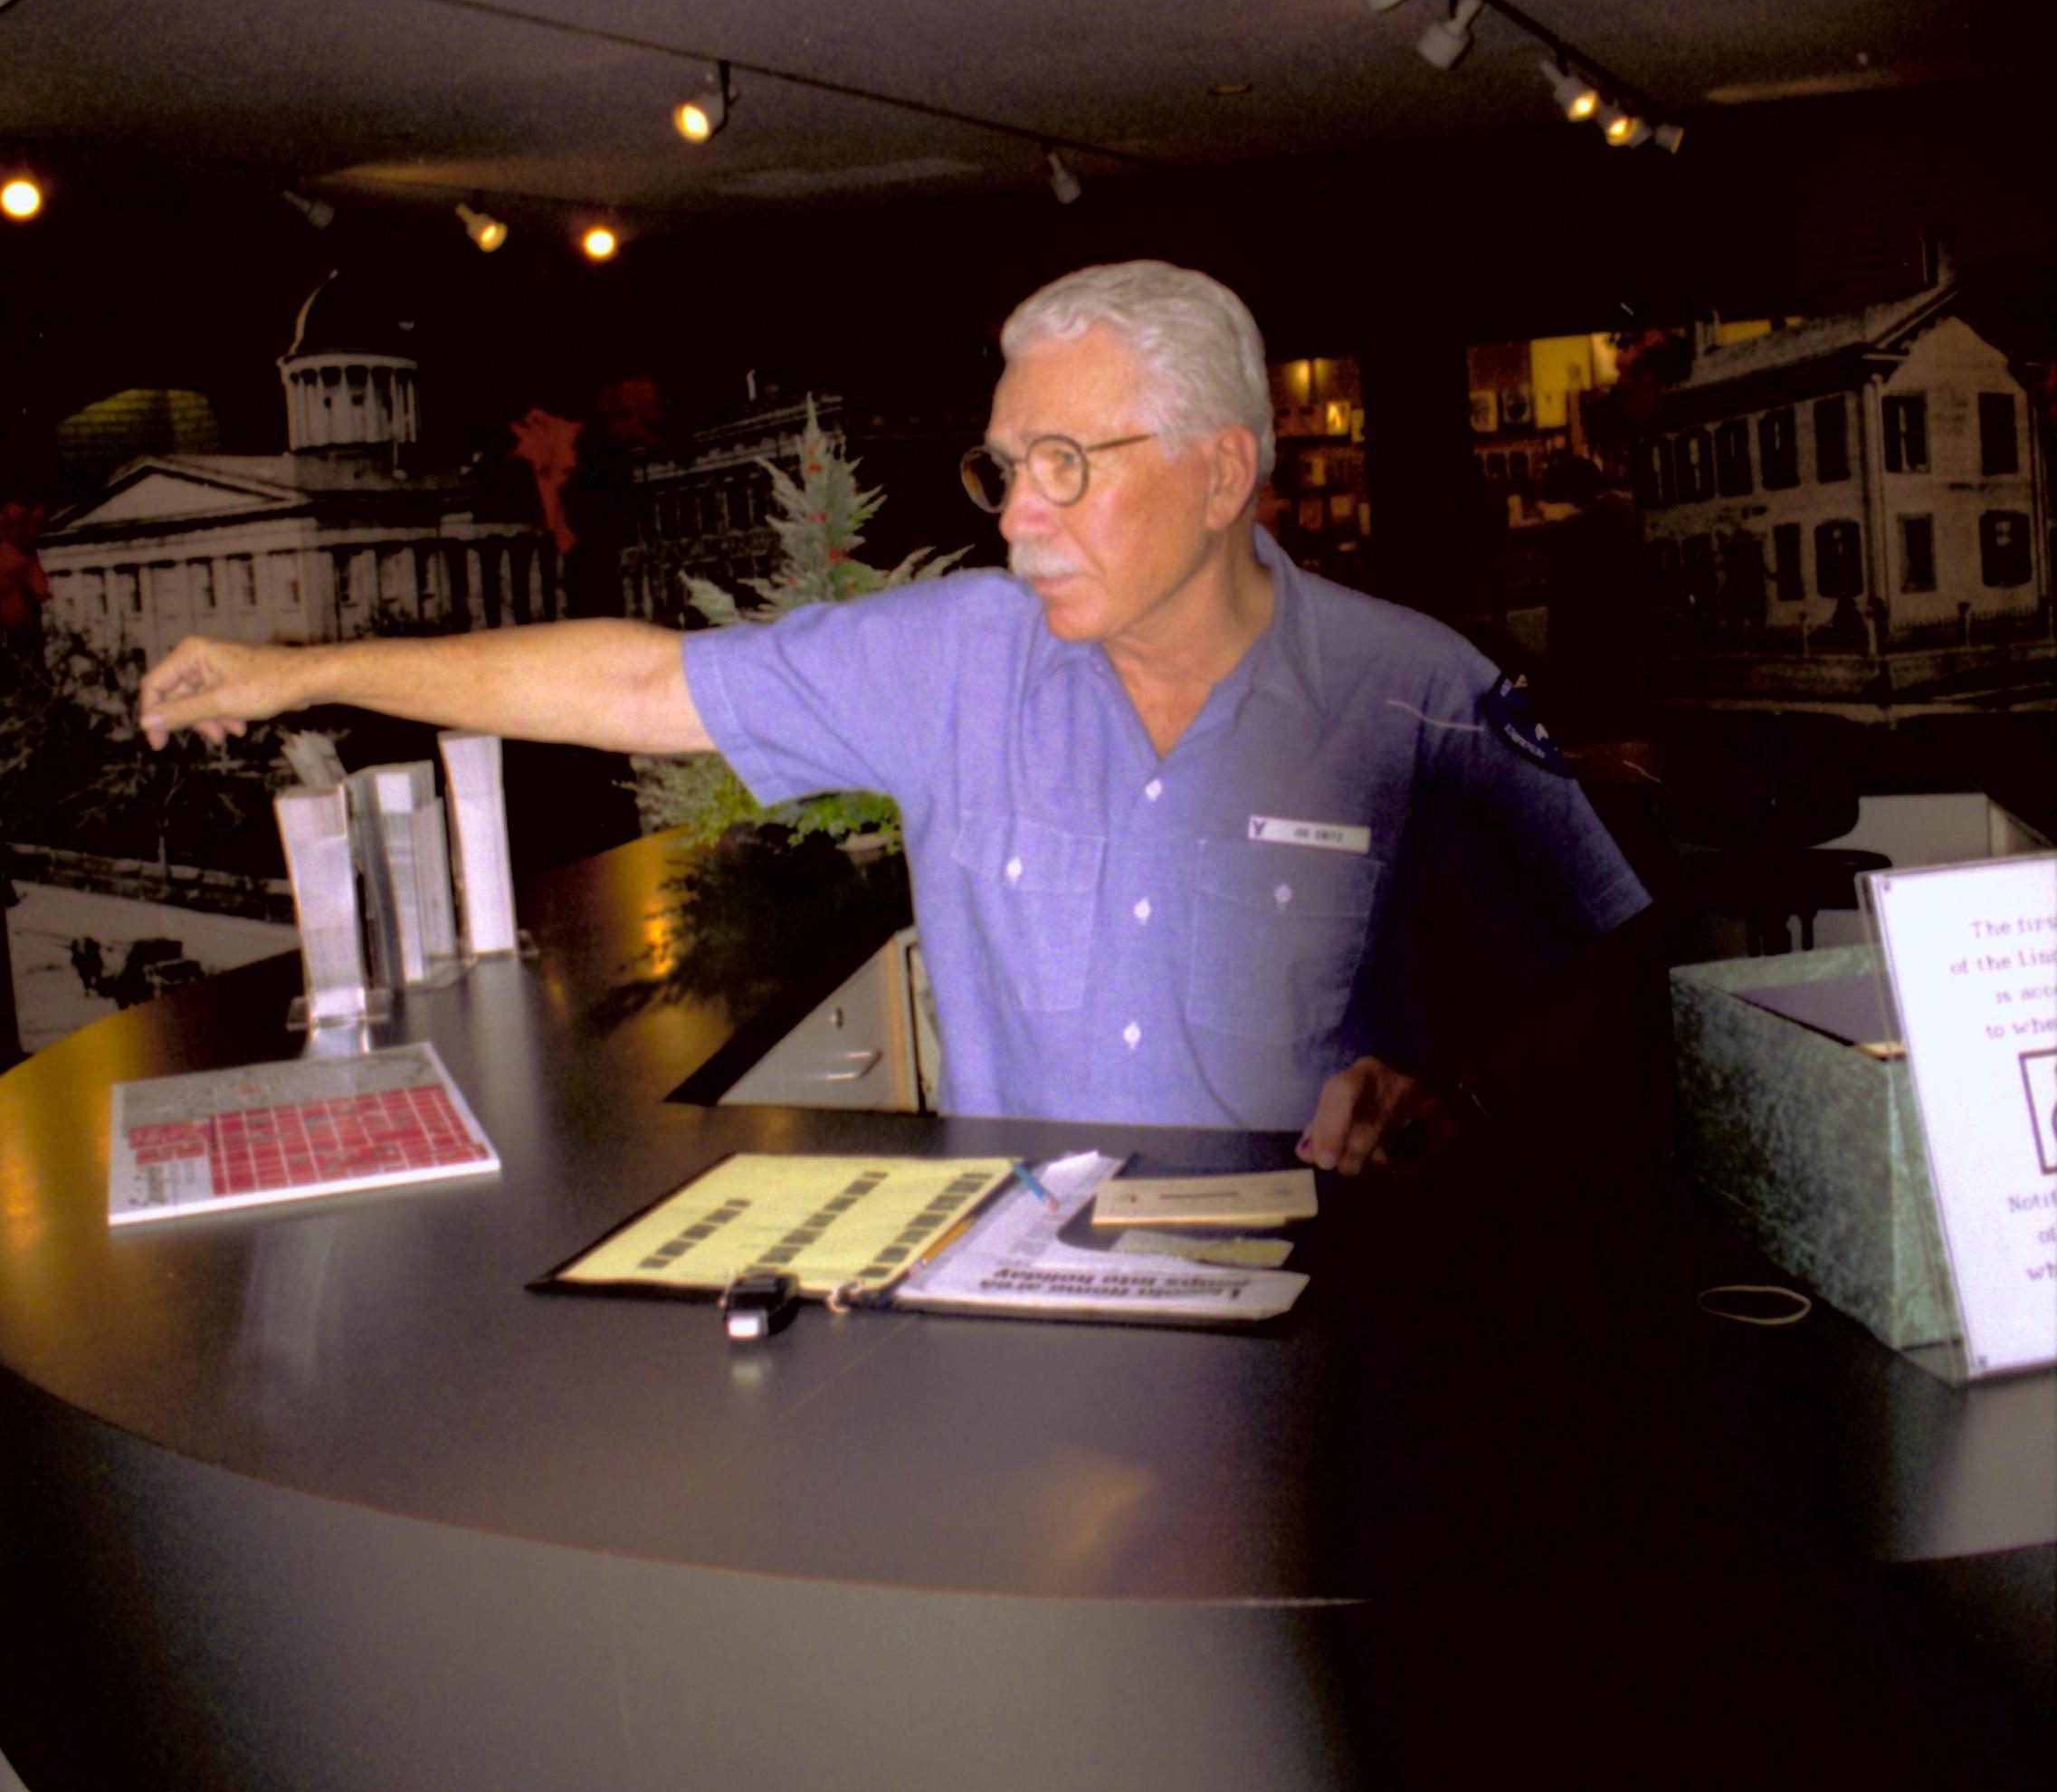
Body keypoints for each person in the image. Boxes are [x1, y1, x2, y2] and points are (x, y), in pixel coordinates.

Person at [140, 262, 1649, 1174]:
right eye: (1005, 470)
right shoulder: (950, 663)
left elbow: (1602, 968)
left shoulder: (1416, 690)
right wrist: (298, 669)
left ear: (1217, 471)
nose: (1018, 521)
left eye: (1068, 463)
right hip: (1035, 1316)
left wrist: (1463, 1102)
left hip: (1327, 1333)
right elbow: (635, 684)